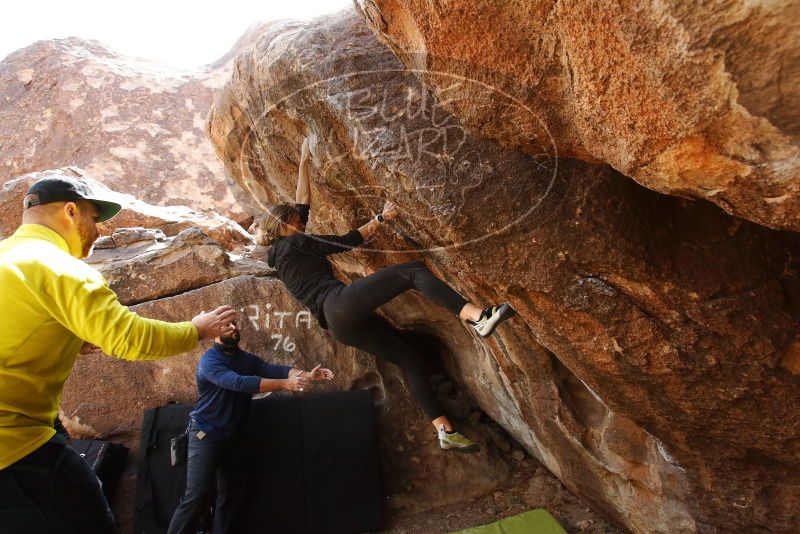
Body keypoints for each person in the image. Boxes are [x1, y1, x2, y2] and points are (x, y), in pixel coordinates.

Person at [0, 174, 238, 534]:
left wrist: (65, 336)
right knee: (87, 515)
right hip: (13, 446)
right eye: (94, 219)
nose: (98, 231)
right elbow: (129, 338)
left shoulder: (9, 256)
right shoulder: (60, 269)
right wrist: (197, 330)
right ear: (70, 211)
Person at [252, 138, 515, 453]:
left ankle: (444, 430)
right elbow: (345, 241)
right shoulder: (294, 243)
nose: (301, 223)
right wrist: (381, 218)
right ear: (284, 226)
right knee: (413, 271)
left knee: (410, 361)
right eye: (296, 223)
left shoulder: (282, 251)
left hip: (339, 327)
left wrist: (305, 161)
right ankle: (478, 317)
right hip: (339, 304)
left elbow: (302, 203)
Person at [167, 320, 333, 534]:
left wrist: (305, 375)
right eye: (227, 325)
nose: (233, 328)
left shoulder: (246, 359)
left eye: (235, 324)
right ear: (215, 332)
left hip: (233, 438)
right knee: (196, 496)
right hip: (205, 434)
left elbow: (275, 369)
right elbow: (239, 383)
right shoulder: (209, 361)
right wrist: (285, 384)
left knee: (230, 495)